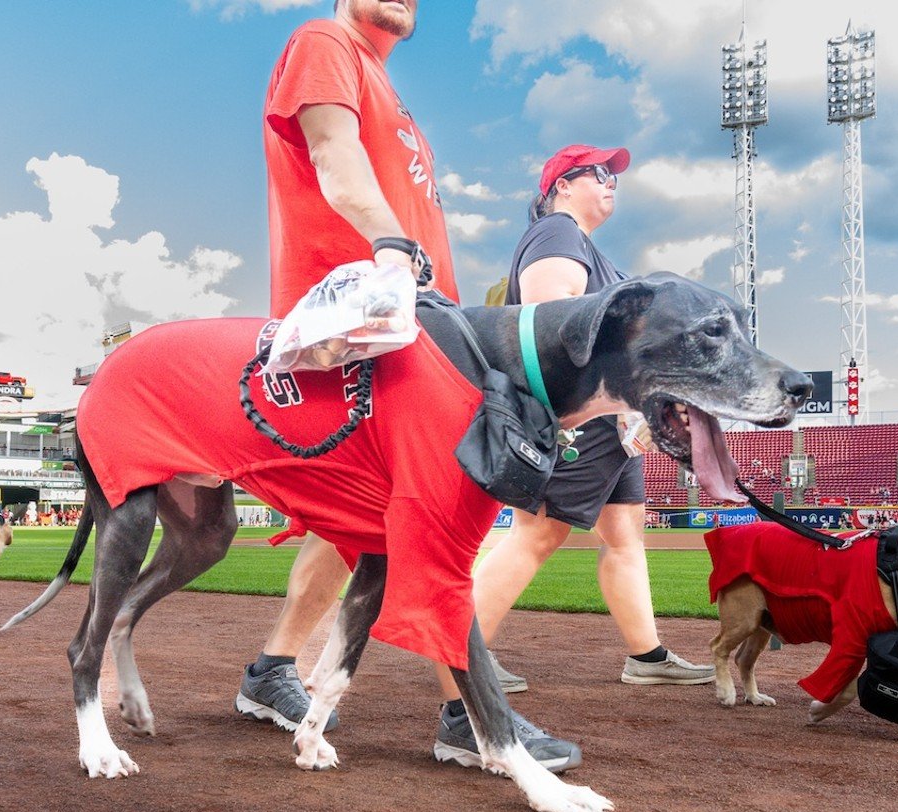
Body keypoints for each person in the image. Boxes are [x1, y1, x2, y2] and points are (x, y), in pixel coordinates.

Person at [234, 0, 580, 769]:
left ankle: (270, 671)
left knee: (354, 516)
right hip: (365, 316)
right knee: (431, 510)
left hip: (413, 318)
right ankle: (468, 713)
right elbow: (332, 152)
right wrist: (390, 239)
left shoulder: (392, 90)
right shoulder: (327, 41)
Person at [429, 144, 715, 755]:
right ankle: (458, 664)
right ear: (561, 186)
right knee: (536, 536)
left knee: (624, 536)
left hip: (614, 422)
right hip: (580, 418)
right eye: (599, 173)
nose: (612, 183)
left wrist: (639, 408)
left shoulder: (591, 249)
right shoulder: (557, 233)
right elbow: (548, 329)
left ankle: (648, 654)